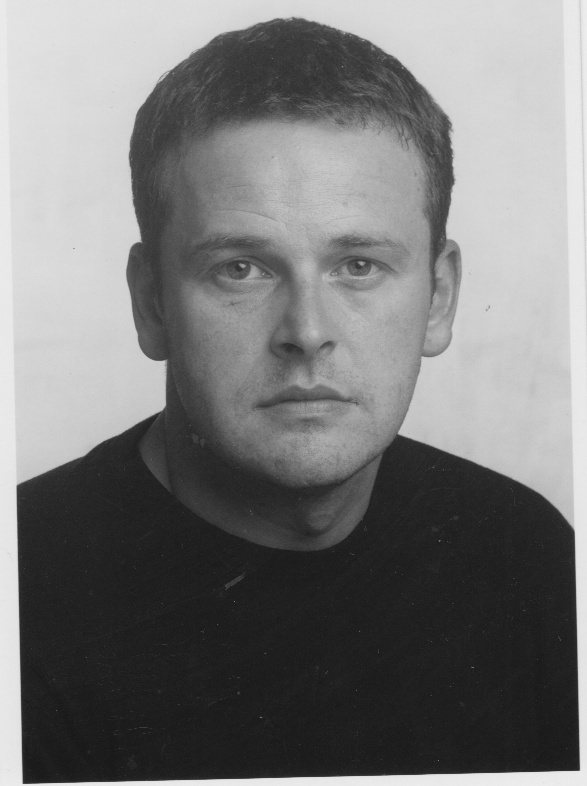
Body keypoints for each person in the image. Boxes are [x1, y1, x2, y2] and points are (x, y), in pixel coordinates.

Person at [17, 17, 579, 782]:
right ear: (151, 303)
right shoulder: (23, 594)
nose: (307, 333)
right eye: (241, 269)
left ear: (440, 297)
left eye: (358, 265)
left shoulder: (526, 558)